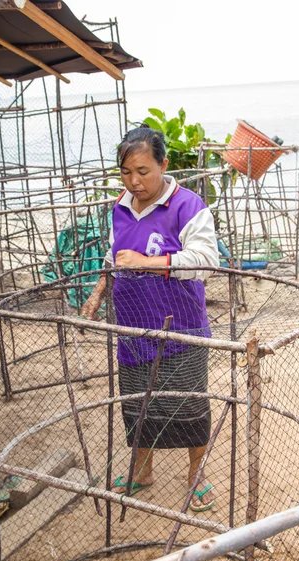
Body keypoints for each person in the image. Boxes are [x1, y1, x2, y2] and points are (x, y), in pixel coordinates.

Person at [82, 125, 219, 511]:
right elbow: (113, 257)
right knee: (138, 402)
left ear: (163, 164)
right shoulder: (121, 206)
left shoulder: (188, 205)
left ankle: (197, 475)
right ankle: (142, 471)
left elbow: (206, 263)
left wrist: (148, 263)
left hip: (181, 327)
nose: (134, 181)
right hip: (133, 327)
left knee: (189, 403)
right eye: (126, 172)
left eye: (143, 171)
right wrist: (97, 294)